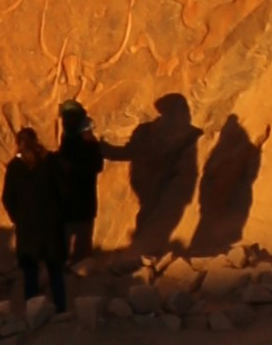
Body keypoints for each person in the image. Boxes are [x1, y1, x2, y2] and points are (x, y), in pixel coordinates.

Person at [0, 120, 69, 315]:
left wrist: (17, 217)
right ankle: (60, 310)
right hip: (51, 226)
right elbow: (64, 191)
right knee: (55, 270)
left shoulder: (15, 167)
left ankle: (33, 313)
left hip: (28, 227)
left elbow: (7, 198)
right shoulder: (51, 161)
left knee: (30, 272)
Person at [121, 91, 202, 257]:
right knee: (148, 214)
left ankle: (147, 252)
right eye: (178, 110)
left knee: (159, 216)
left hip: (170, 186)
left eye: (183, 110)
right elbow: (130, 152)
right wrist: (101, 150)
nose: (183, 114)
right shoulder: (145, 131)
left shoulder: (192, 135)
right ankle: (141, 252)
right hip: (147, 184)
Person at [50, 97, 109, 276]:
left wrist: (66, 165)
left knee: (78, 247)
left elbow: (93, 165)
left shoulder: (83, 141)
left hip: (77, 199)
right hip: (75, 201)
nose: (65, 122)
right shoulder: (75, 139)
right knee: (73, 242)